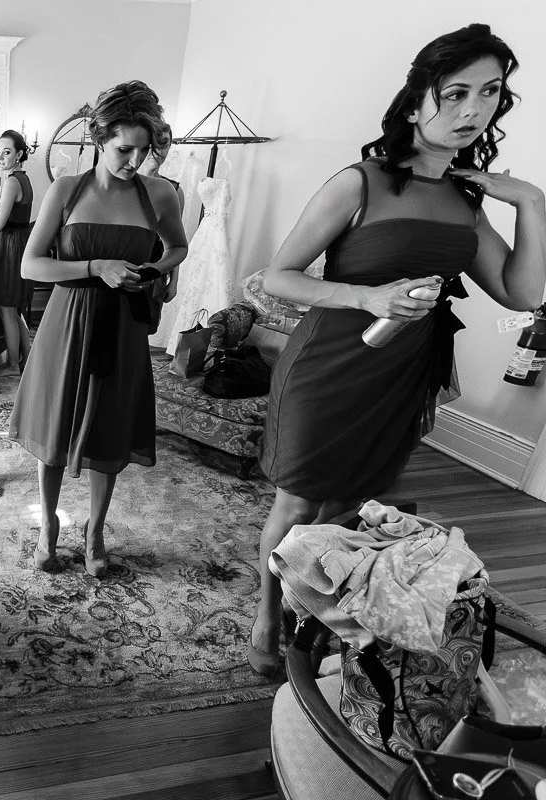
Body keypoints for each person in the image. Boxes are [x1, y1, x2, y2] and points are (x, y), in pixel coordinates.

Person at [249, 24, 546, 677]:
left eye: (490, 93)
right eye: (456, 92)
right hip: (329, 366)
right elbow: (278, 276)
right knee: (298, 502)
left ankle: (312, 606)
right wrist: (367, 298)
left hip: (403, 375)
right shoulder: (359, 183)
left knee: (348, 504)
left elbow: (523, 293)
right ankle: (267, 615)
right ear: (416, 102)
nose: (473, 109)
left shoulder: (469, 203)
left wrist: (531, 202)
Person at [9, 81, 188, 577]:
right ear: (98, 140)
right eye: (122, 149)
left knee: (109, 432)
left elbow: (178, 247)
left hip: (124, 328)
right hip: (67, 324)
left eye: (143, 149)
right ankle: (46, 525)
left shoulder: (160, 195)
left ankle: (95, 530)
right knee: (54, 428)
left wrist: (151, 272)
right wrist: (95, 266)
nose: (134, 160)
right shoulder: (67, 191)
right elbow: (30, 265)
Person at [0, 130, 35, 375]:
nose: (1, 156)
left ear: (19, 154)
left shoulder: (12, 181)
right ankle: (26, 360)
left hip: (11, 246)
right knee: (14, 310)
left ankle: (12, 364)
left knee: (6, 307)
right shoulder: (23, 178)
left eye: (7, 152)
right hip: (19, 242)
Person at [143, 123, 185, 331]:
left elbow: (176, 241)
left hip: (156, 269)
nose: (156, 151)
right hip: (122, 264)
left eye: (164, 144)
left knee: (145, 327)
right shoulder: (122, 184)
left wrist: (174, 280)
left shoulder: (174, 190)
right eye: (152, 143)